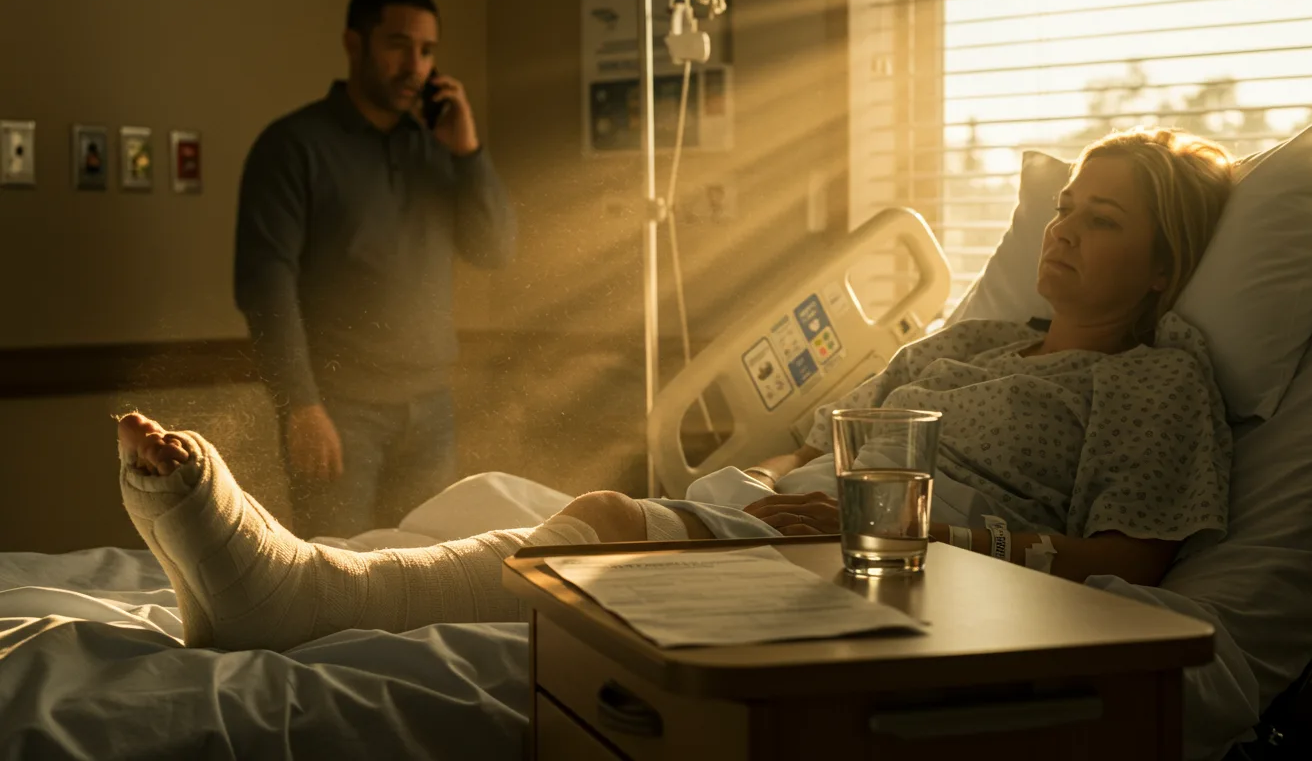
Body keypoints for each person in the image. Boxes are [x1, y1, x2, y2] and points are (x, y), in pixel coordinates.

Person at [122, 126, 1231, 653]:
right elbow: (828, 444)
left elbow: (1132, 563)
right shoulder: (976, 342)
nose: (1063, 229)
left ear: (1163, 266)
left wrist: (918, 532)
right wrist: (767, 484)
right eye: (1065, 207)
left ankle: (304, 597)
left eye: (1102, 220)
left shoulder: (1151, 382)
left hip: (910, 571)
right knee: (515, 502)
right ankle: (304, 589)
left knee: (600, 521)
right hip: (810, 524)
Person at [234, 0, 516, 540]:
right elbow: (264, 287)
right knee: (337, 571)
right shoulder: (293, 145)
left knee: (426, 570)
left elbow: (495, 250)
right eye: (398, 45)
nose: (415, 66)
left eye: (427, 51)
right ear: (353, 43)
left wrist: (468, 152)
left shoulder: (435, 148)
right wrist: (301, 406)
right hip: (338, 410)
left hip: (431, 408)